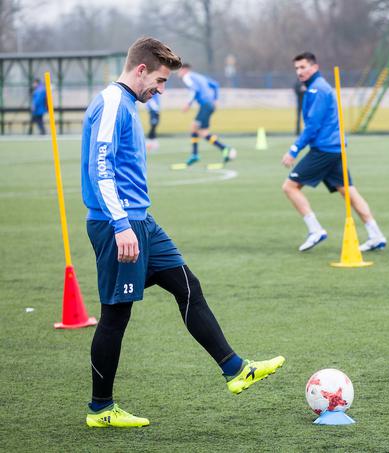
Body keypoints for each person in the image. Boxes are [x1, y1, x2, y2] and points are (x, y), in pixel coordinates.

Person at [81, 37, 284, 428]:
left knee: (187, 285)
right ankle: (101, 409)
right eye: (159, 81)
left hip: (142, 221)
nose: (160, 90)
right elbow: (99, 167)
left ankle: (235, 369)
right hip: (117, 224)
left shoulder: (126, 102)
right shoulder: (110, 103)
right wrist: (121, 225)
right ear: (140, 69)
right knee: (115, 316)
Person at [281, 52, 386, 252]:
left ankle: (315, 230)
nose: (299, 72)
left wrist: (294, 150)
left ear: (314, 67)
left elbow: (312, 126)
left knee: (290, 186)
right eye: (296, 68)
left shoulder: (318, 90)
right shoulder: (316, 88)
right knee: (348, 192)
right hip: (334, 148)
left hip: (325, 149)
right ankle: (376, 235)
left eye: (303, 67)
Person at [178, 63, 236, 166]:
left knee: (194, 127)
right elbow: (215, 85)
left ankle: (196, 154)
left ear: (185, 70)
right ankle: (224, 149)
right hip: (209, 105)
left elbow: (194, 90)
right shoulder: (199, 76)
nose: (178, 73)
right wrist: (216, 99)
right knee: (203, 132)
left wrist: (188, 104)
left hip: (205, 105)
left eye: (179, 70)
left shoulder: (187, 77)